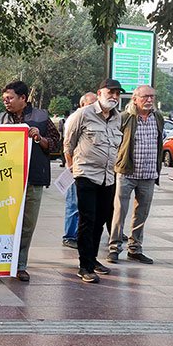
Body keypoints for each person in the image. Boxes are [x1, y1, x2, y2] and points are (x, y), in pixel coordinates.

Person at [0, 80, 61, 282]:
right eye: (4, 99)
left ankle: (20, 264)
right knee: (5, 222)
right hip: (6, 179)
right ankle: (1, 261)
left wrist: (40, 139)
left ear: (23, 98)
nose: (6, 102)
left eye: (10, 98)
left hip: (33, 177)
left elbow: (56, 144)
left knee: (27, 223)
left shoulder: (41, 117)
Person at [63, 79, 124, 283]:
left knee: (100, 220)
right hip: (86, 175)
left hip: (108, 176)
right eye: (110, 92)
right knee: (87, 220)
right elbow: (68, 144)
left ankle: (93, 258)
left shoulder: (118, 118)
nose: (114, 96)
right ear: (100, 93)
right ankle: (84, 266)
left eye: (117, 93)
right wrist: (72, 168)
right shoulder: (83, 114)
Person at [107, 84, 163, 265]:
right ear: (135, 99)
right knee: (119, 212)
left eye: (152, 97)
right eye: (145, 96)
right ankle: (114, 248)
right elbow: (113, 142)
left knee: (142, 213)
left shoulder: (158, 117)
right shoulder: (124, 117)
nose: (149, 100)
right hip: (126, 173)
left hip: (148, 174)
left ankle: (135, 249)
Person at [63, 92, 97, 247]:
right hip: (76, 168)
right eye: (90, 103)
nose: (94, 106)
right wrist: (71, 167)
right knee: (73, 204)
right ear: (82, 104)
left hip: (91, 171)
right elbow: (68, 146)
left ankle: (79, 234)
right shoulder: (75, 118)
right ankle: (70, 236)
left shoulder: (97, 119)